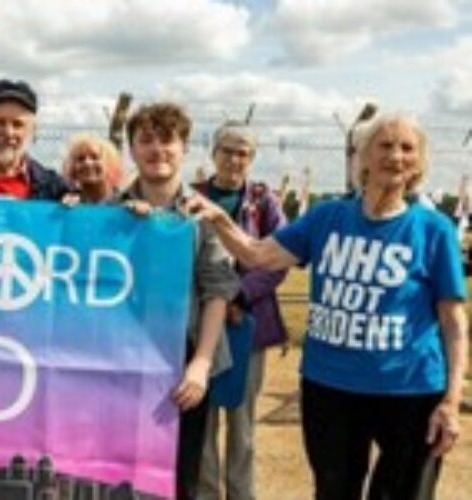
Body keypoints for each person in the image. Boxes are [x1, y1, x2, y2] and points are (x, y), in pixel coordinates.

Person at [189, 113, 468, 499]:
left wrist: (451, 401)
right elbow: (258, 255)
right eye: (385, 145)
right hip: (330, 387)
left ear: (419, 163)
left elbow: (453, 322)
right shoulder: (327, 217)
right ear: (362, 156)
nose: (396, 156)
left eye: (408, 148)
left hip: (411, 390)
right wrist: (219, 218)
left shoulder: (434, 229)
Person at [118, 102, 239, 500]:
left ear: (185, 147)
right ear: (132, 149)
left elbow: (218, 289)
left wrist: (201, 365)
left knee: (182, 471)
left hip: (183, 359)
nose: (158, 150)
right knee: (118, 468)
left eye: (167, 140)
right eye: (146, 141)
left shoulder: (203, 215)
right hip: (120, 358)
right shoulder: (109, 212)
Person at [193, 121, 288, 500]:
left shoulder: (265, 202)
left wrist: (240, 297)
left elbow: (279, 259)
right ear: (213, 152)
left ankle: (241, 494)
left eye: (243, 152)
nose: (234, 158)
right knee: (201, 423)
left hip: (247, 325)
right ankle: (205, 493)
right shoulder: (192, 197)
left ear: (252, 158)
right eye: (228, 149)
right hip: (198, 323)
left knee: (241, 423)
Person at [60, 133, 123, 204]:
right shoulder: (66, 202)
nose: (87, 163)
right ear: (72, 169)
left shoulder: (125, 202)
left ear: (109, 163)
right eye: (81, 159)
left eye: (95, 157)